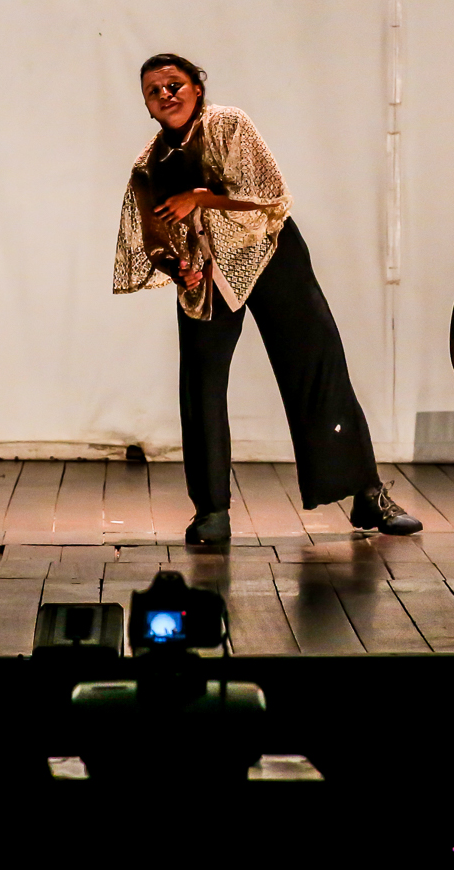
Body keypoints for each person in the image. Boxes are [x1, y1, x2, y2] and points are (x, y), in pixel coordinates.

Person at [113, 54, 419, 543]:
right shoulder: (148, 168)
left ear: (197, 88)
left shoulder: (228, 125)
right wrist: (179, 269)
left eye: (174, 84)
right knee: (201, 387)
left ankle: (367, 493)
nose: (166, 95)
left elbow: (267, 195)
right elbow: (152, 239)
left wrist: (200, 197)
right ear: (147, 106)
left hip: (269, 251)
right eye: (154, 91)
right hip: (208, 274)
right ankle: (210, 511)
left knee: (318, 366)